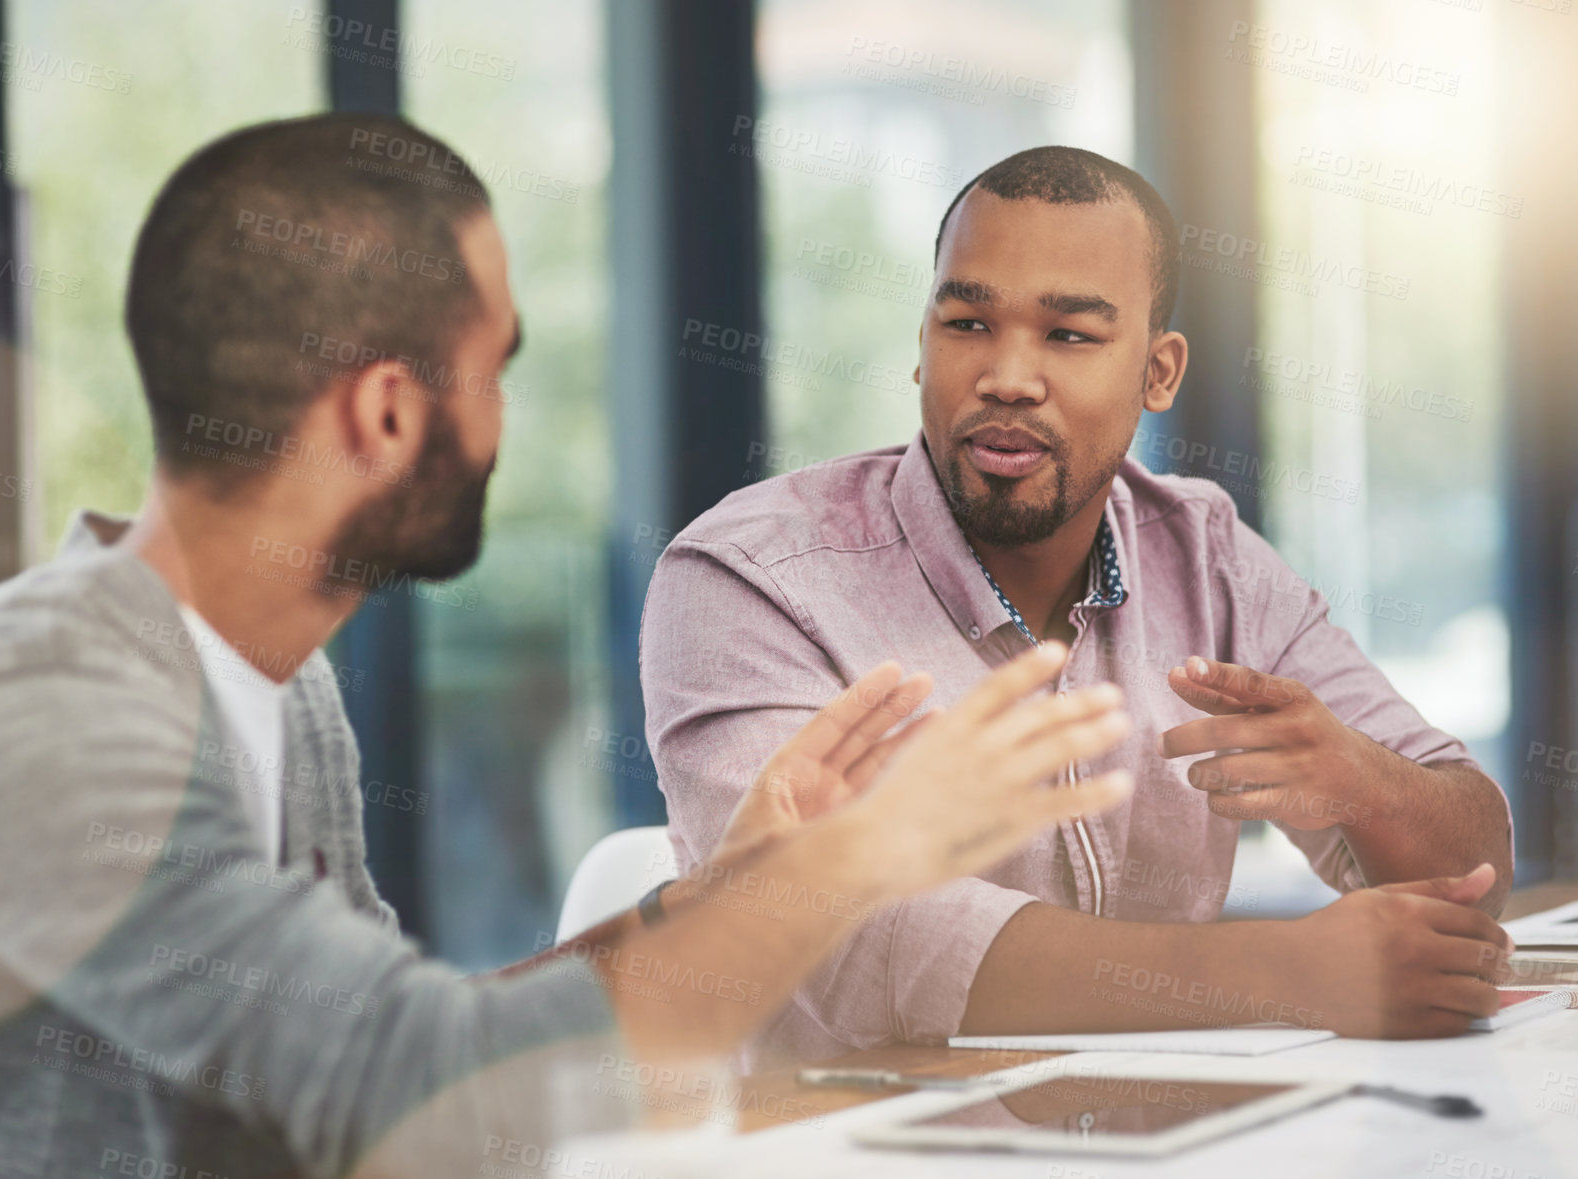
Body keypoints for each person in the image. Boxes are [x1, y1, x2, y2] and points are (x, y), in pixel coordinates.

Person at [0, 114, 1139, 1178]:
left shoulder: (278, 691)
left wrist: (730, 889)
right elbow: (428, 1100)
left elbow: (414, 1042)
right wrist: (867, 859)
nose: (500, 427)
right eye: (494, 373)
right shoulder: (49, 709)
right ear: (385, 410)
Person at [641, 145, 1516, 1068]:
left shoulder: (1209, 555)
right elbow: (836, 941)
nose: (1008, 377)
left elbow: (1466, 877)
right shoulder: (747, 577)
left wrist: (1366, 781)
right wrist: (1280, 970)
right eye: (968, 322)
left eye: (1069, 335)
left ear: (1159, 371)